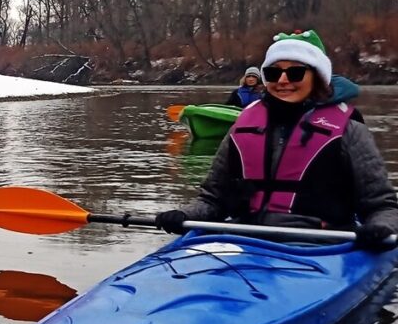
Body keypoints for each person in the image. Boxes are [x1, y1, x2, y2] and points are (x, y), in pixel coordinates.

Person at [155, 29, 398, 250]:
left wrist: (382, 227)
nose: (282, 81)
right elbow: (213, 199)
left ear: (317, 77)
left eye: (295, 72)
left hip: (322, 246)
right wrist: (184, 215)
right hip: (246, 239)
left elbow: (382, 206)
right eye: (273, 73)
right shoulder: (244, 125)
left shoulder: (349, 130)